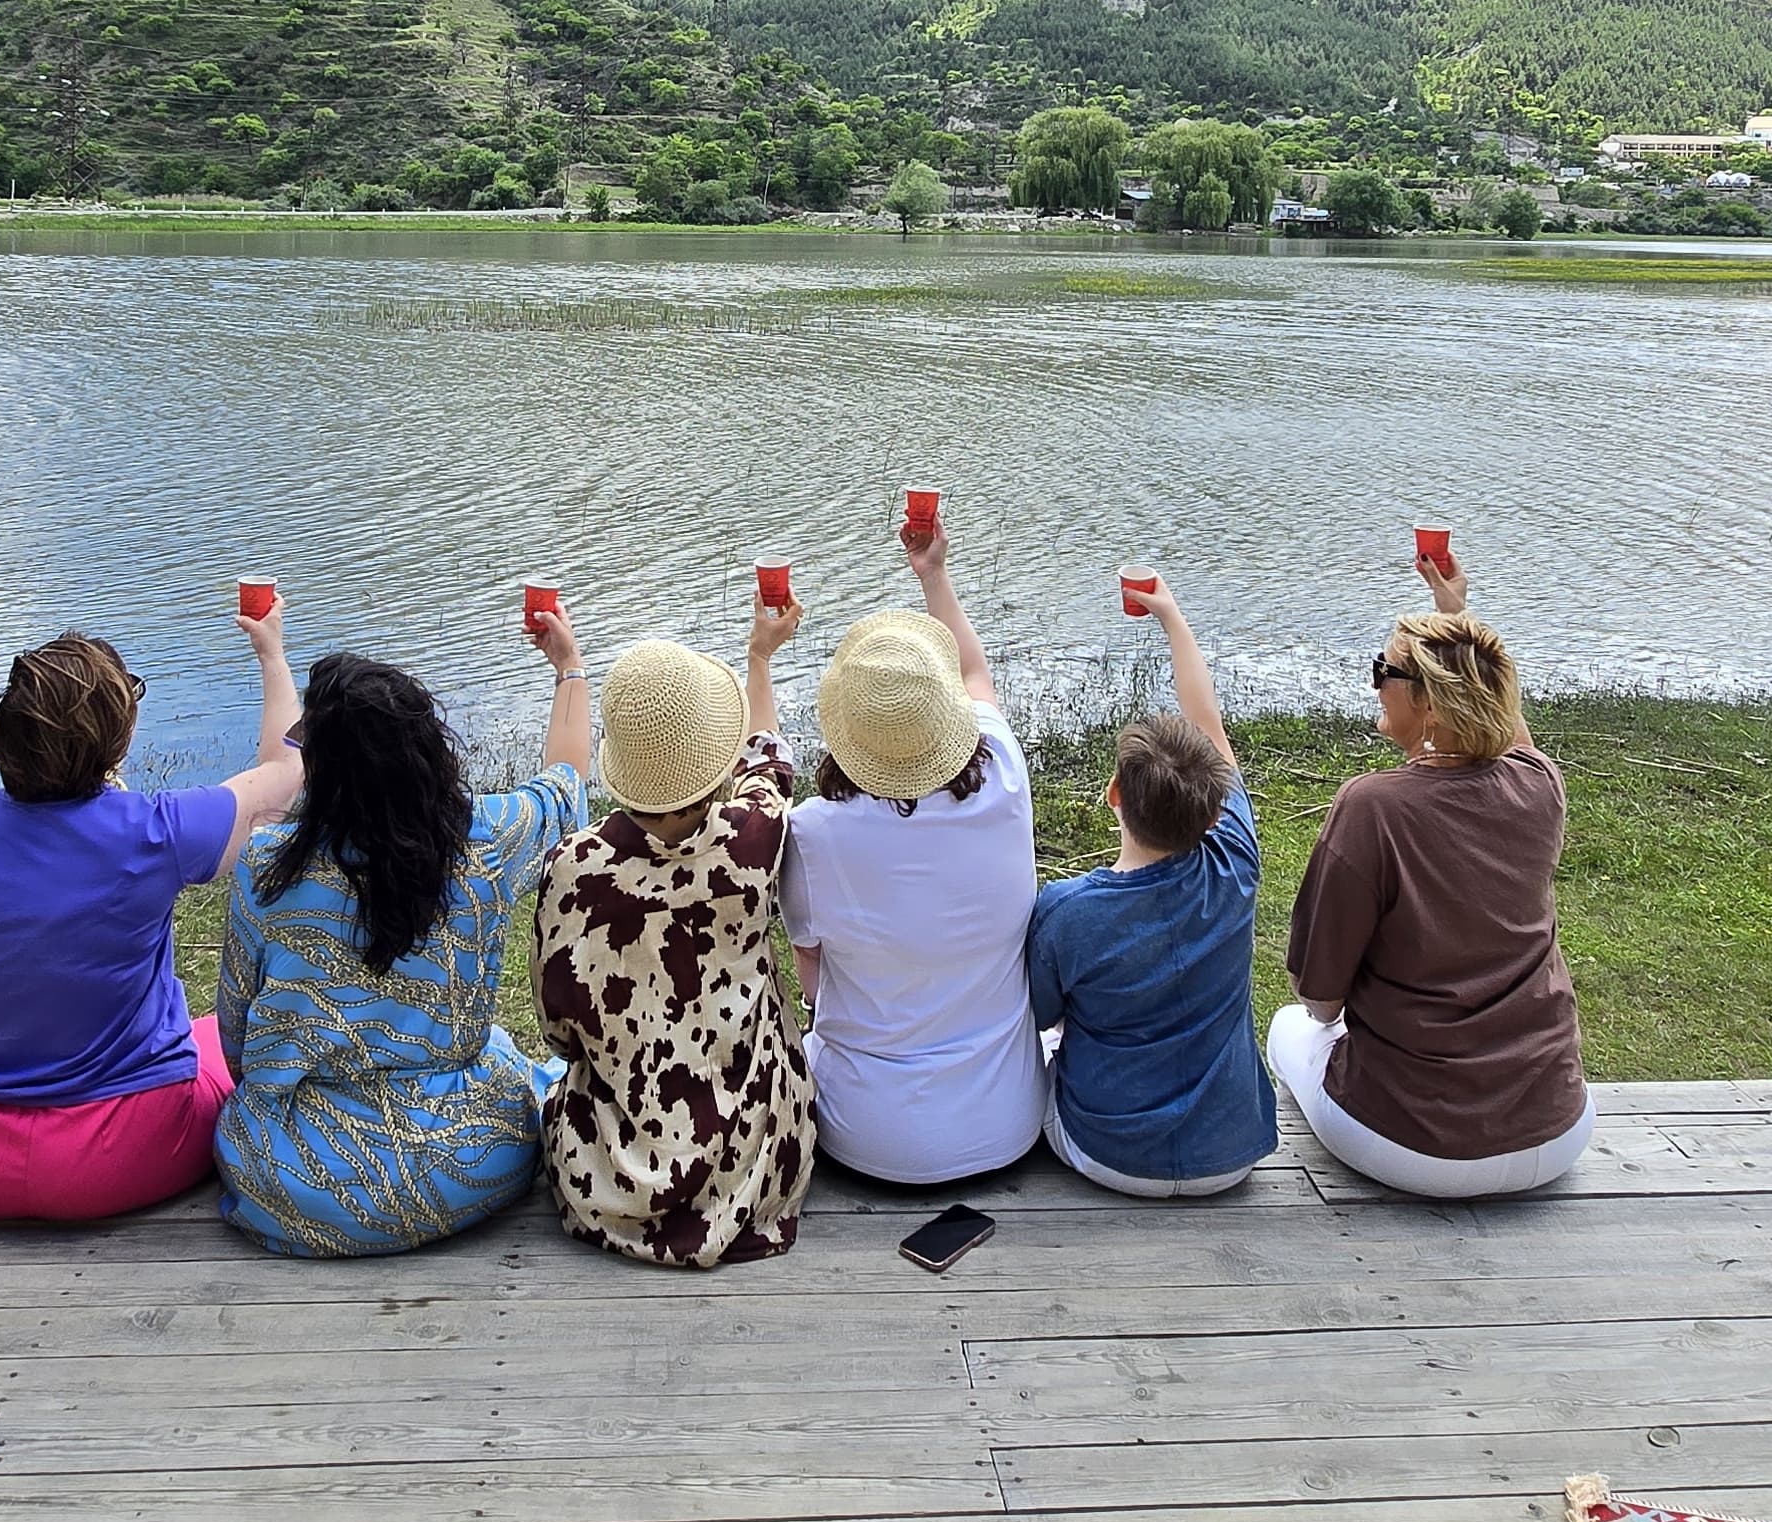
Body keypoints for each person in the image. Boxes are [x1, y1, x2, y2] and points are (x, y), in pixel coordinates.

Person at [0, 599, 302, 1222]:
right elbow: (286, 769)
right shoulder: (158, 831)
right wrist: (271, 653)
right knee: (227, 1036)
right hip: (127, 1152)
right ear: (117, 736)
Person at [214, 591, 589, 1255]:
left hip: (304, 1181)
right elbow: (566, 786)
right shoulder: (487, 839)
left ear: (321, 769)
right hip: (473, 1164)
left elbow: (238, 1042)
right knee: (508, 1057)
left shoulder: (268, 864)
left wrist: (271, 656)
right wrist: (568, 665)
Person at [1268, 545, 1593, 1198]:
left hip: (1420, 1146)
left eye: (1382, 670)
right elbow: (1513, 733)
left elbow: (1320, 997)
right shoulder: (1539, 785)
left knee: (1287, 1028)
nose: (1374, 681)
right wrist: (1456, 613)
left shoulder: (1373, 808)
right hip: (1558, 1129)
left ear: (1433, 706)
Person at [535, 584, 814, 1265]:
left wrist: (568, 666)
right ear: (714, 756)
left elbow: (559, 1033)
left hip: (611, 1187)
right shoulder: (753, 838)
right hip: (756, 1173)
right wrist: (760, 656)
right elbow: (768, 763)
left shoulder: (570, 870)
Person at [779, 510, 1045, 1186]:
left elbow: (812, 982)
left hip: (859, 1134)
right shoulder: (1006, 775)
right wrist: (934, 574)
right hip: (1007, 1124)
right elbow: (977, 671)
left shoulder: (811, 833)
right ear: (948, 715)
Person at [1027, 572, 1277, 1198]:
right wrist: (1172, 618)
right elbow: (1211, 731)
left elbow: (1041, 1016)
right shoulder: (1233, 864)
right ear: (1217, 810)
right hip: (1230, 1156)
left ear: (1113, 796)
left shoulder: (1066, 912)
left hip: (1105, 1153)